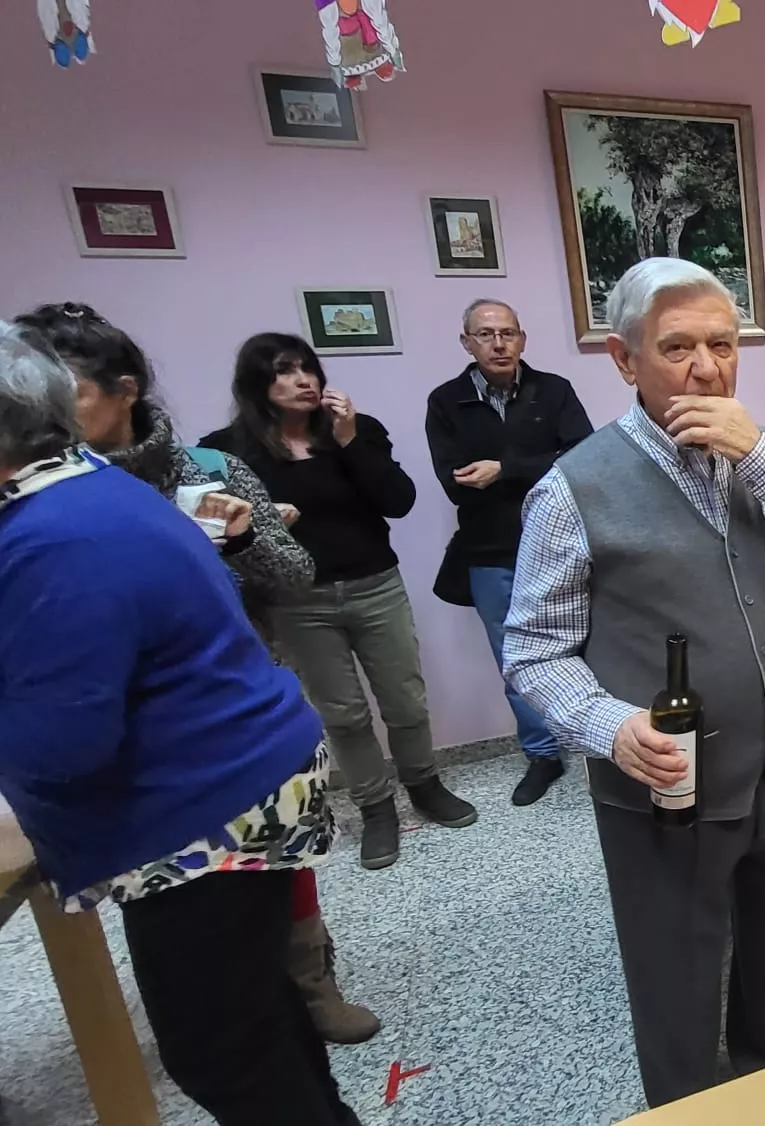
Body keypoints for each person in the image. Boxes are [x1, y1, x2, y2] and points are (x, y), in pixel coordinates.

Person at [505, 258, 765, 1106]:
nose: (707, 366)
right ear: (624, 361)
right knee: (675, 989)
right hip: (667, 790)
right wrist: (606, 726)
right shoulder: (574, 488)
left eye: (722, 343)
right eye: (677, 347)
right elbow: (532, 649)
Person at [0, 324, 360, 1126]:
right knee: (258, 1014)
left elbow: (67, 742)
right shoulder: (85, 479)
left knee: (220, 1053)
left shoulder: (54, 532)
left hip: (202, 807)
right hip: (240, 770)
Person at [203, 334, 475, 870]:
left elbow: (399, 501)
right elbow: (217, 529)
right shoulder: (228, 451)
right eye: (286, 371)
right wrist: (258, 523)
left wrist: (351, 441)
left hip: (375, 584)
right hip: (298, 599)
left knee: (404, 698)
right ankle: (376, 808)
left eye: (309, 368)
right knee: (344, 714)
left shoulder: (357, 431)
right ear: (258, 384)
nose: (305, 380)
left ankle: (424, 783)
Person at [425, 298, 593, 806]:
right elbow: (456, 484)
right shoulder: (446, 401)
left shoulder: (553, 391)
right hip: (491, 550)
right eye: (485, 335)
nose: (498, 344)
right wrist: (539, 464)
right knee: (517, 659)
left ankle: (598, 742)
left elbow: (584, 459)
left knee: (586, 647)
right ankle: (542, 754)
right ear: (466, 342)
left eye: (508, 334)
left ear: (522, 339)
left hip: (562, 542)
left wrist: (505, 468)